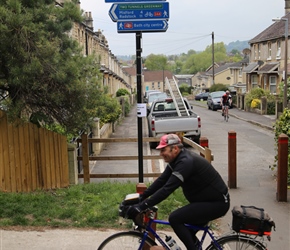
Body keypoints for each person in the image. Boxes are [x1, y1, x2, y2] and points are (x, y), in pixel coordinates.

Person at [128, 134, 230, 250]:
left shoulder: (185, 162)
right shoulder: (176, 160)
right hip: (205, 201)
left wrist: (143, 206)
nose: (161, 154)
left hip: (217, 204)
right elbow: (161, 181)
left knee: (175, 218)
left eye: (163, 150)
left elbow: (167, 189)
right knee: (188, 234)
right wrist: (141, 197)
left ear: (175, 148)